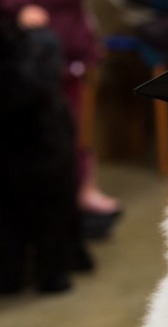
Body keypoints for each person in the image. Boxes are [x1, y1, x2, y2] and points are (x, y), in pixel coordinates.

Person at [0, 0, 121, 238]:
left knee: (72, 132)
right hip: (25, 52)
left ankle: (80, 191)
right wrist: (17, 9)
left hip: (69, 49)